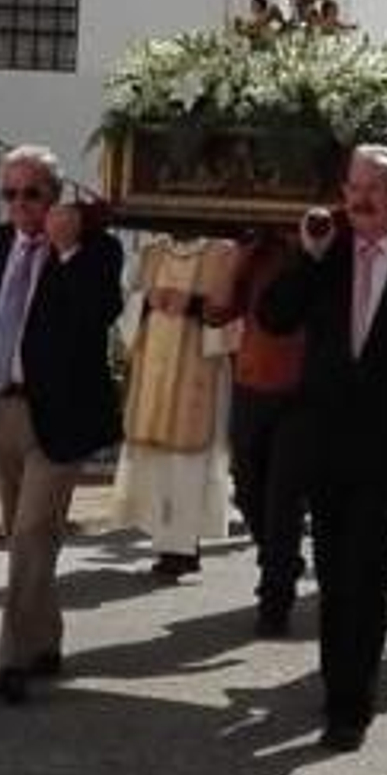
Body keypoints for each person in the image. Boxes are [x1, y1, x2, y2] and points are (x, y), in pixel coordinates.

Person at [259, 144, 387, 752]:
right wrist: (306, 255)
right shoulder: (326, 255)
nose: (360, 197)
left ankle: (353, 703)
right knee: (332, 570)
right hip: (323, 441)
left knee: (366, 567)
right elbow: (273, 317)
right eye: (353, 185)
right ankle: (336, 683)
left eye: (375, 187)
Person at [0, 145, 124, 706]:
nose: (19, 205)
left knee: (34, 532)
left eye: (31, 193)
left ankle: (12, 660)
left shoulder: (96, 252)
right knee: (23, 534)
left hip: (59, 414)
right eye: (9, 193)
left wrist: (65, 252)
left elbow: (97, 314)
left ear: (55, 197)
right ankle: (45, 640)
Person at [110, 233, 238, 580]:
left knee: (189, 464)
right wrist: (147, 302)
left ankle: (183, 547)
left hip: (201, 373)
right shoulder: (149, 253)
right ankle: (168, 543)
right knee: (159, 463)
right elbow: (126, 311)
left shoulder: (223, 253)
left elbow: (236, 317)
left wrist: (195, 306)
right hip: (154, 371)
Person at [223, 228, 309, 635]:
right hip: (251, 384)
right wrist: (240, 259)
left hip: (304, 391)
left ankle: (275, 598)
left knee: (284, 498)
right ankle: (282, 560)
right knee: (246, 489)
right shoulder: (258, 251)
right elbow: (217, 311)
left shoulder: (324, 249)